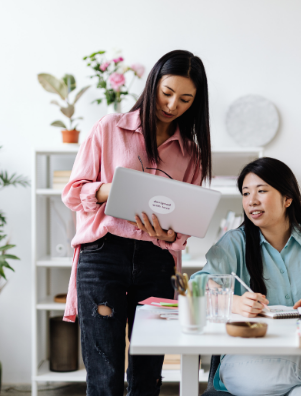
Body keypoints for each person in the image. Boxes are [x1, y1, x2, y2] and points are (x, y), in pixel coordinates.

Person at [61, 50, 212, 396]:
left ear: (196, 103)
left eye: (185, 99)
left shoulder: (191, 153)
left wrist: (171, 233)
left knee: (147, 377)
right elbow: (72, 194)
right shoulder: (109, 127)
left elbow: (186, 223)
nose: (173, 104)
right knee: (104, 374)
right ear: (153, 84)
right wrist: (108, 190)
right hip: (102, 256)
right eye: (167, 92)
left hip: (157, 262)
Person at [193, 157, 301, 396]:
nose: (251, 201)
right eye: (245, 193)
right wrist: (235, 302)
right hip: (246, 363)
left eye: (261, 191)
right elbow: (196, 284)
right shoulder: (234, 243)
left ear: (288, 199)